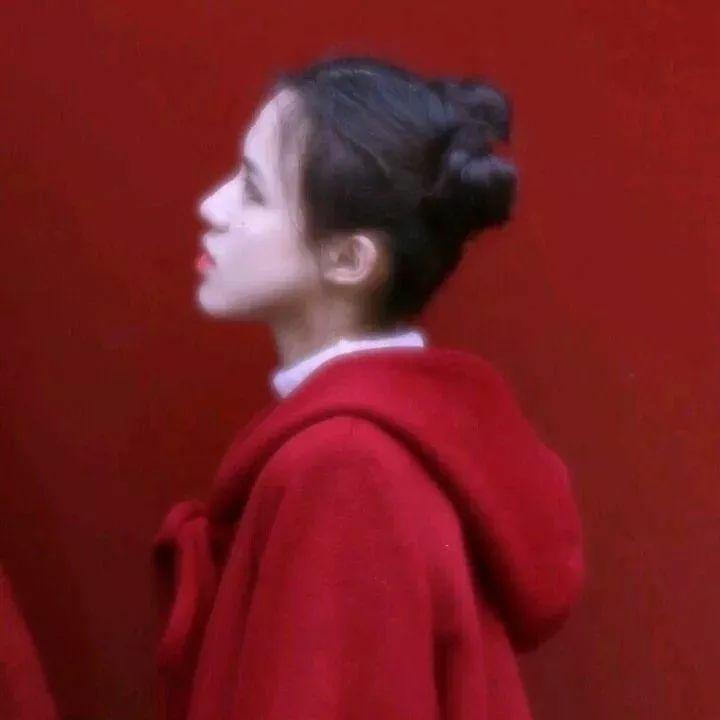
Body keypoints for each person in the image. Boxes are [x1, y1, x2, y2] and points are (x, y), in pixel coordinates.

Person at [153, 54, 585, 720]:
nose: (212, 207)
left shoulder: (345, 465)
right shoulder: (365, 442)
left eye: (254, 190)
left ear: (351, 258)